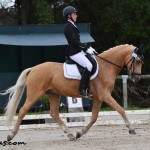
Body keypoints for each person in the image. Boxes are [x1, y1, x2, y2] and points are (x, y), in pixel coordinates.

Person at [63, 6, 97, 98]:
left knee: (93, 60)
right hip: (74, 52)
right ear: (69, 16)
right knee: (89, 66)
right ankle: (82, 89)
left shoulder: (72, 26)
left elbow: (77, 42)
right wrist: (86, 48)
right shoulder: (68, 27)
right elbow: (75, 42)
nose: (76, 15)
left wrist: (88, 48)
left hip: (78, 50)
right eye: (74, 14)